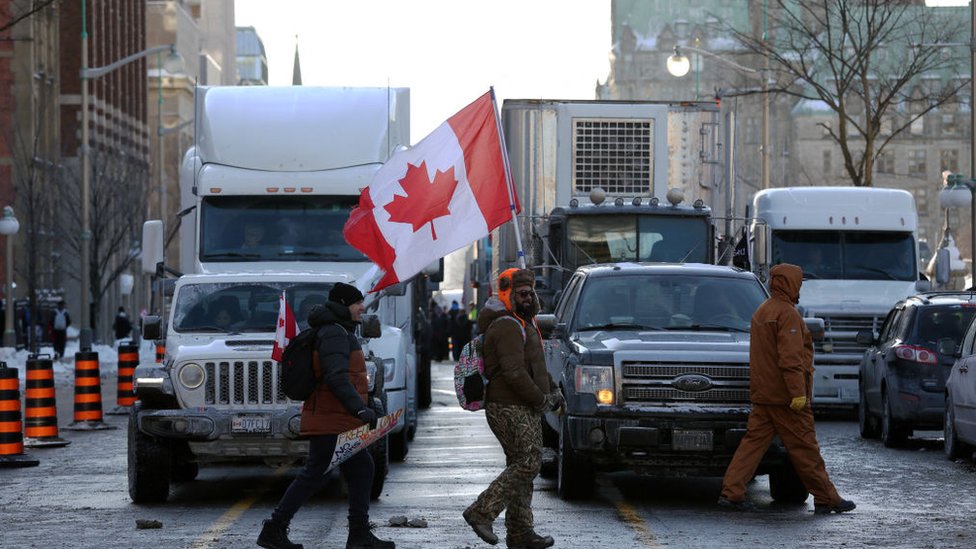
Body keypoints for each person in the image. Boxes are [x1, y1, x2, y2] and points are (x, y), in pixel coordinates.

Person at [257, 282, 394, 549]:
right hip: (332, 418)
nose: (362, 308)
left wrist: (362, 406)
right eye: (357, 303)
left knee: (359, 468)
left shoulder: (338, 330)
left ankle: (358, 534)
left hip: (335, 417)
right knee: (316, 474)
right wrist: (360, 408)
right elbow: (336, 377)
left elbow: (345, 378)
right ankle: (276, 528)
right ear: (344, 304)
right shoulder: (334, 334)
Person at [718, 263, 856, 515]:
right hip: (786, 399)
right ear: (789, 283)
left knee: (751, 447)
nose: (800, 287)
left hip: (764, 396)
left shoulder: (762, 311)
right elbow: (790, 359)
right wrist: (798, 393)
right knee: (805, 448)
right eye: (798, 283)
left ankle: (732, 491)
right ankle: (827, 498)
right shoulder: (787, 314)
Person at [463, 268, 563, 549]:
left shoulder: (523, 322)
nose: (528, 297)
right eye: (522, 293)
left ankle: (520, 533)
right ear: (508, 295)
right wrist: (540, 400)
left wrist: (553, 390)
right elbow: (515, 373)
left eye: (531, 292)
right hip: (508, 405)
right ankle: (481, 512)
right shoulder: (507, 325)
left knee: (522, 465)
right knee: (529, 461)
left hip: (521, 404)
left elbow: (536, 367)